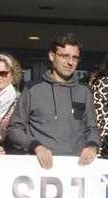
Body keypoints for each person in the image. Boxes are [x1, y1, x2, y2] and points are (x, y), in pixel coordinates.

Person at [6, 33, 100, 168]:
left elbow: (92, 128)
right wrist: (35, 146)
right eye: (64, 56)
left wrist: (92, 145)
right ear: (52, 56)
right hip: (40, 168)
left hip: (76, 168)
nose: (70, 62)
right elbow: (14, 129)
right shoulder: (33, 89)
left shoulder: (84, 92)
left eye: (75, 57)